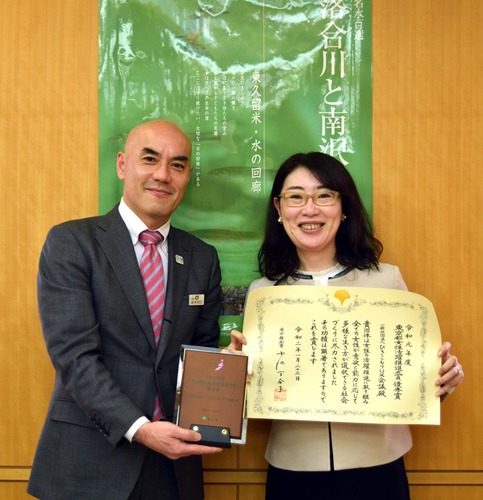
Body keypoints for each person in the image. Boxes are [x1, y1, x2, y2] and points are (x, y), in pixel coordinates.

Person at [228, 152, 464, 500]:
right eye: (296, 196)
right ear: (279, 208)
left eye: (324, 195)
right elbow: (255, 395)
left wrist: (445, 377)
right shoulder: (264, 294)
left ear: (344, 206)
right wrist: (233, 372)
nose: (310, 209)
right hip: (293, 469)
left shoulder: (388, 281)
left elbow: (417, 376)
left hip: (379, 467)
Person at [27, 120, 223, 500]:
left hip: (174, 469)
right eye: (149, 159)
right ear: (121, 165)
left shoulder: (202, 258)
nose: (162, 175)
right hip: (90, 461)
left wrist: (223, 366)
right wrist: (140, 428)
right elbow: (73, 356)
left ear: (187, 176)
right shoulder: (72, 243)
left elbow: (201, 353)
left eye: (178, 165)